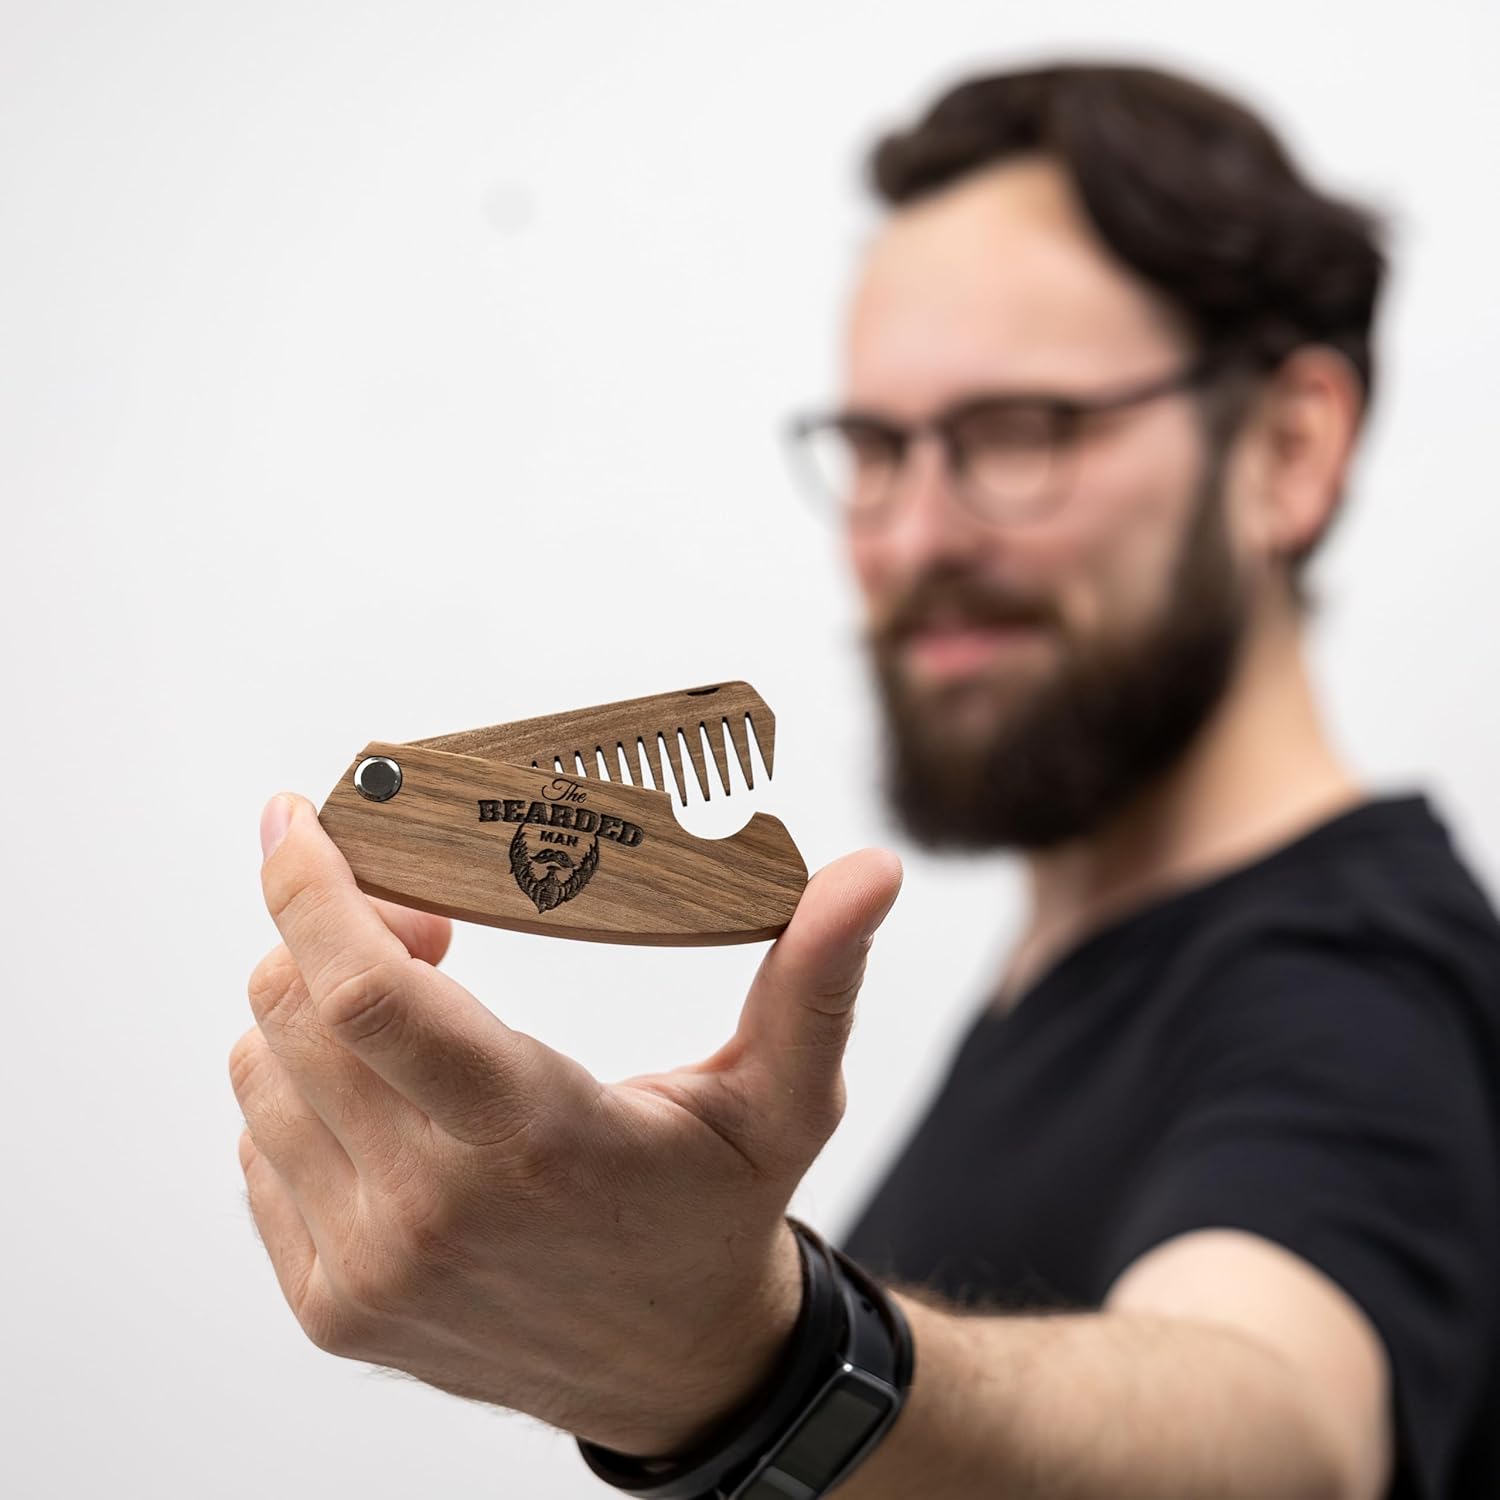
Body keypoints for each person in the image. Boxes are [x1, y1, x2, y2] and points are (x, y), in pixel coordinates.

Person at [231, 60, 1500, 1500]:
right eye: (877, 448)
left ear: (1288, 448)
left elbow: (1284, 1430)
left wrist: (751, 1360)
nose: (912, 535)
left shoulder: (1357, 979)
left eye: (1019, 430)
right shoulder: (1079, 989)